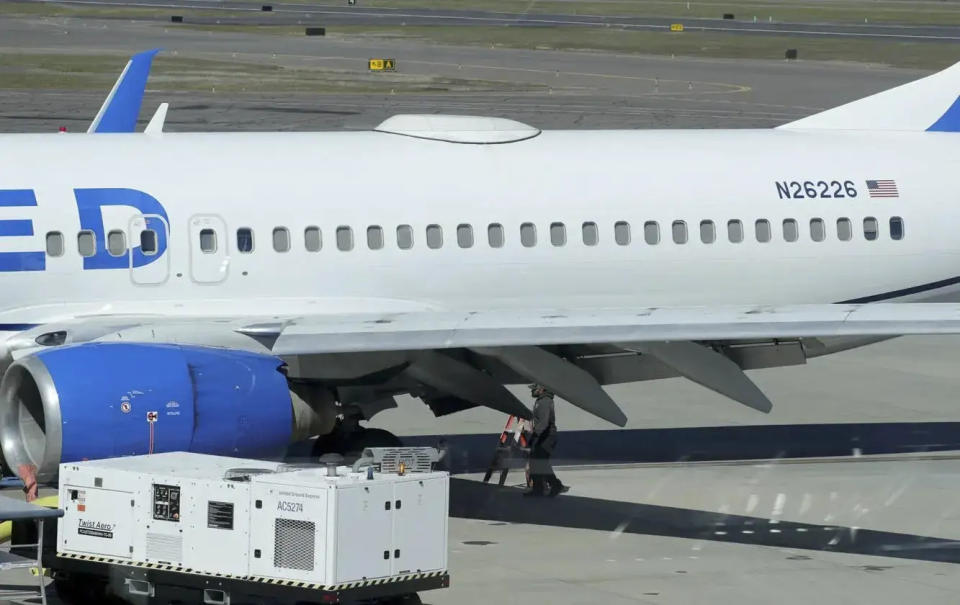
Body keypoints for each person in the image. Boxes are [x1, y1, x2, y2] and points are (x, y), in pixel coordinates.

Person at [524, 384, 566, 497]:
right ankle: (539, 488)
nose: (532, 390)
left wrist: (534, 437)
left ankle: (554, 485)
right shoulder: (540, 400)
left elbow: (544, 422)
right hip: (542, 435)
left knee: (540, 462)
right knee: (536, 462)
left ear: (541, 389)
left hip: (547, 436)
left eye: (534, 388)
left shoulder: (545, 401)